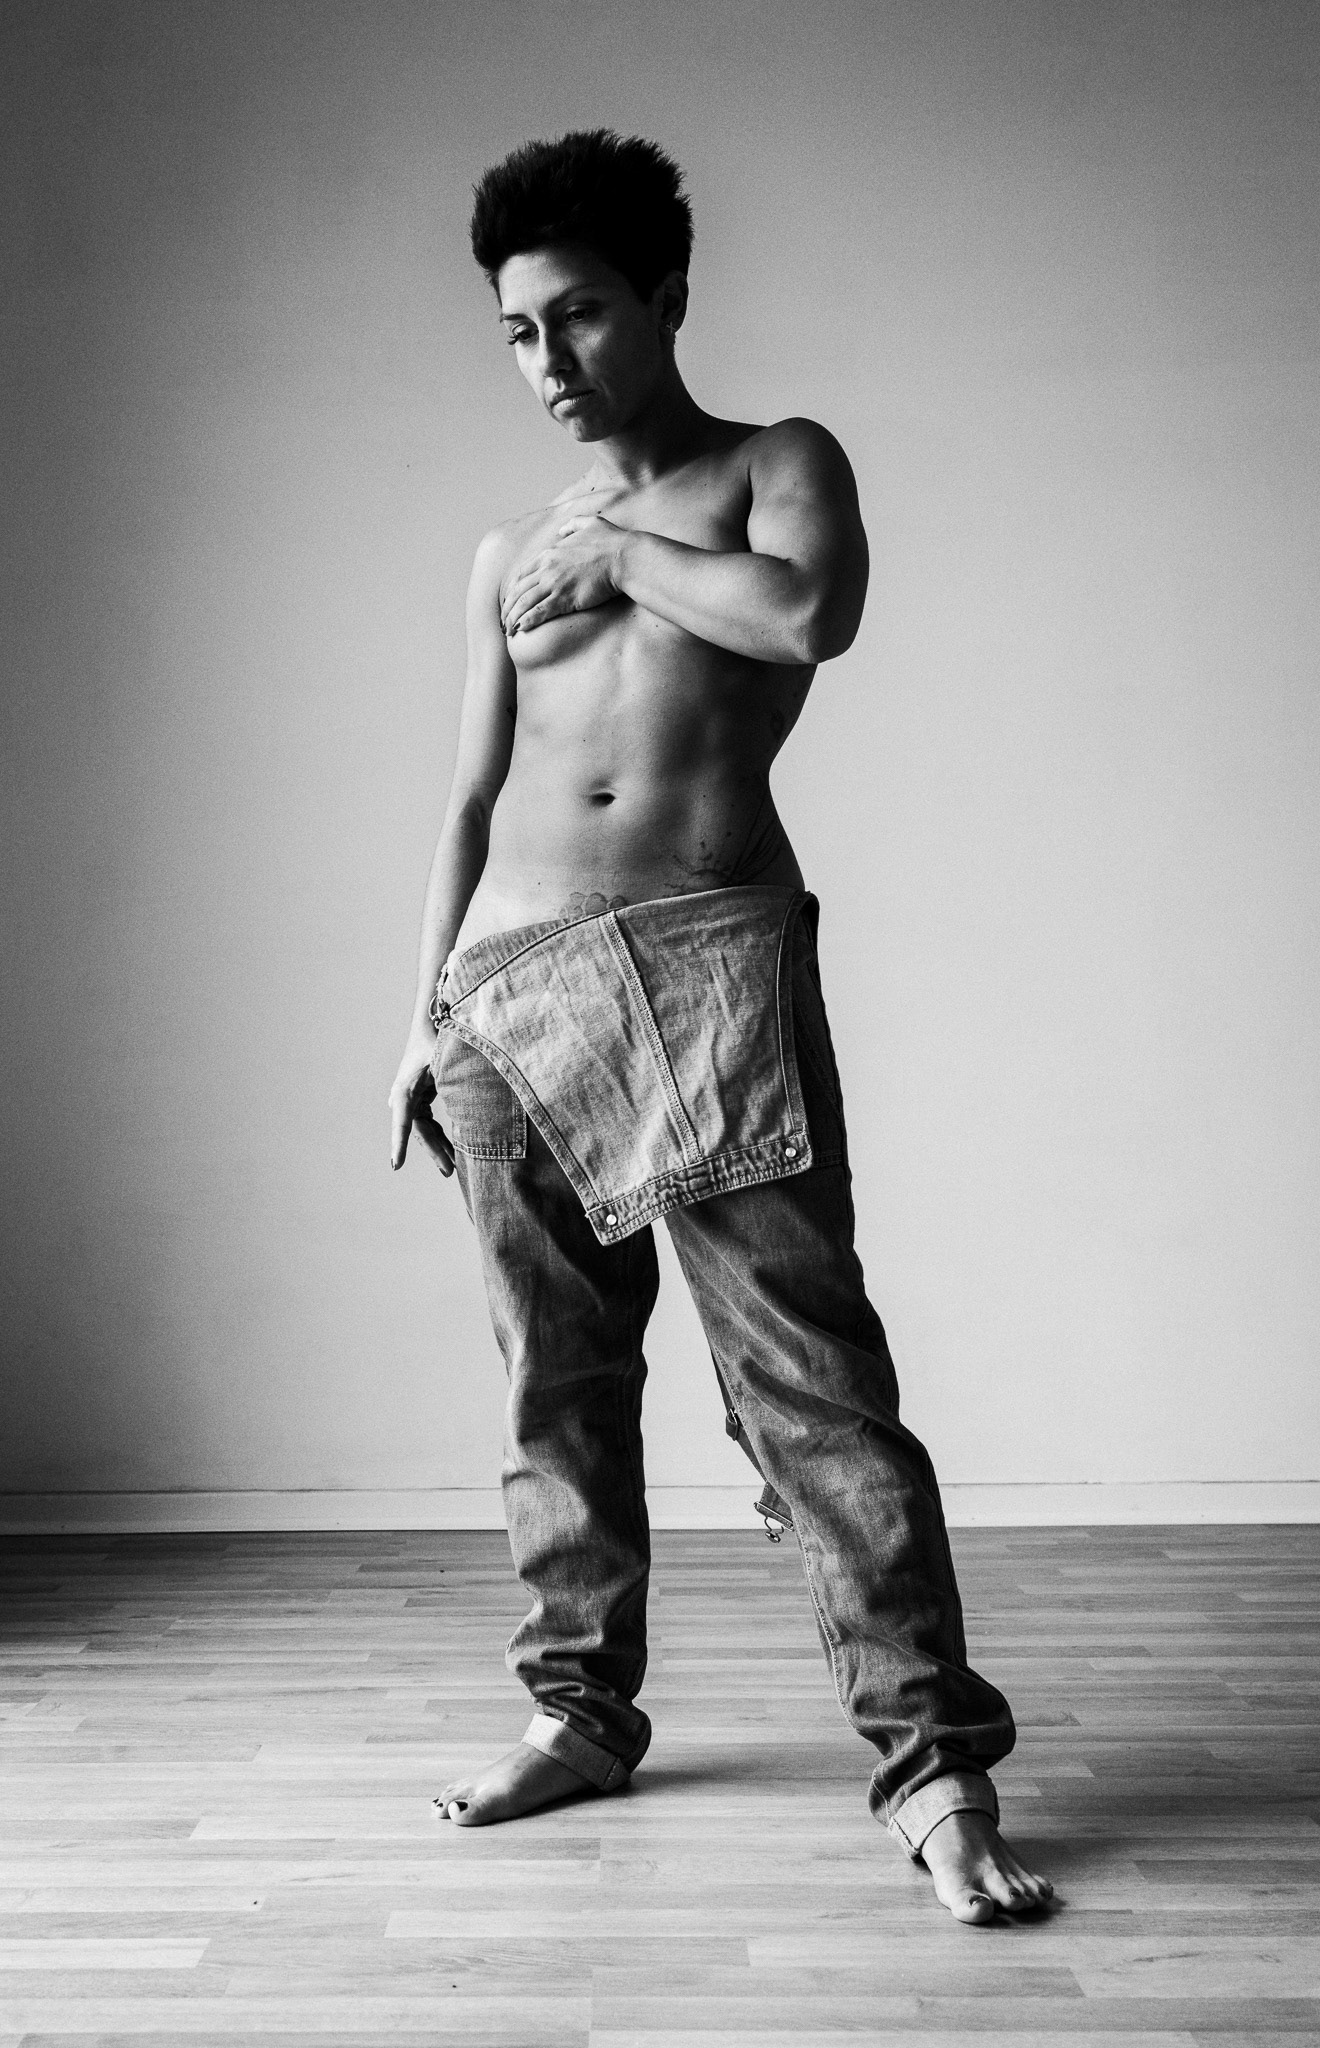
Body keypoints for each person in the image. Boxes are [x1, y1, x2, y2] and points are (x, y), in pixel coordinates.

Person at [388, 130, 1052, 1925]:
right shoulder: (503, 552)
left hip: (704, 966)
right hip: (509, 993)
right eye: (518, 332)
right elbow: (470, 796)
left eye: (581, 315)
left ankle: (933, 1773)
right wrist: (419, 1012)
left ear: (667, 298)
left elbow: (811, 616)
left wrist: (621, 547)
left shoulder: (774, 466)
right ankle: (578, 1712)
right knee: (556, 1387)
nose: (548, 361)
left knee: (812, 1391)